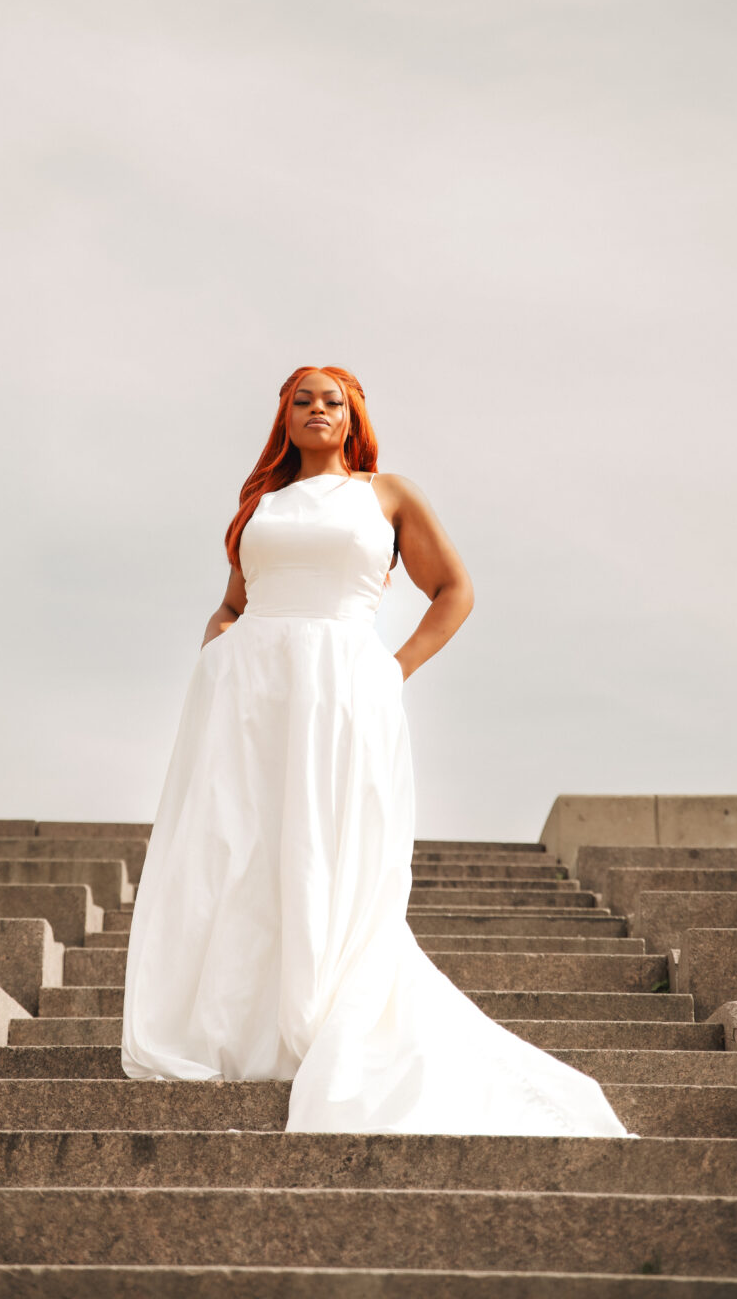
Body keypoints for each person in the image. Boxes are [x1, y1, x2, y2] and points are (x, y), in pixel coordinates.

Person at [121, 364, 633, 1137]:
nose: (317, 409)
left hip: (343, 691)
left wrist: (391, 672)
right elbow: (233, 603)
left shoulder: (386, 494)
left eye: (333, 400)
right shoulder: (258, 505)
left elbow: (454, 590)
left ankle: (319, 1012)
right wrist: (214, 661)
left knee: (329, 848)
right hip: (248, 699)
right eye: (303, 400)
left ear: (353, 417)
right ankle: (241, 1026)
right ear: (284, 418)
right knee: (240, 850)